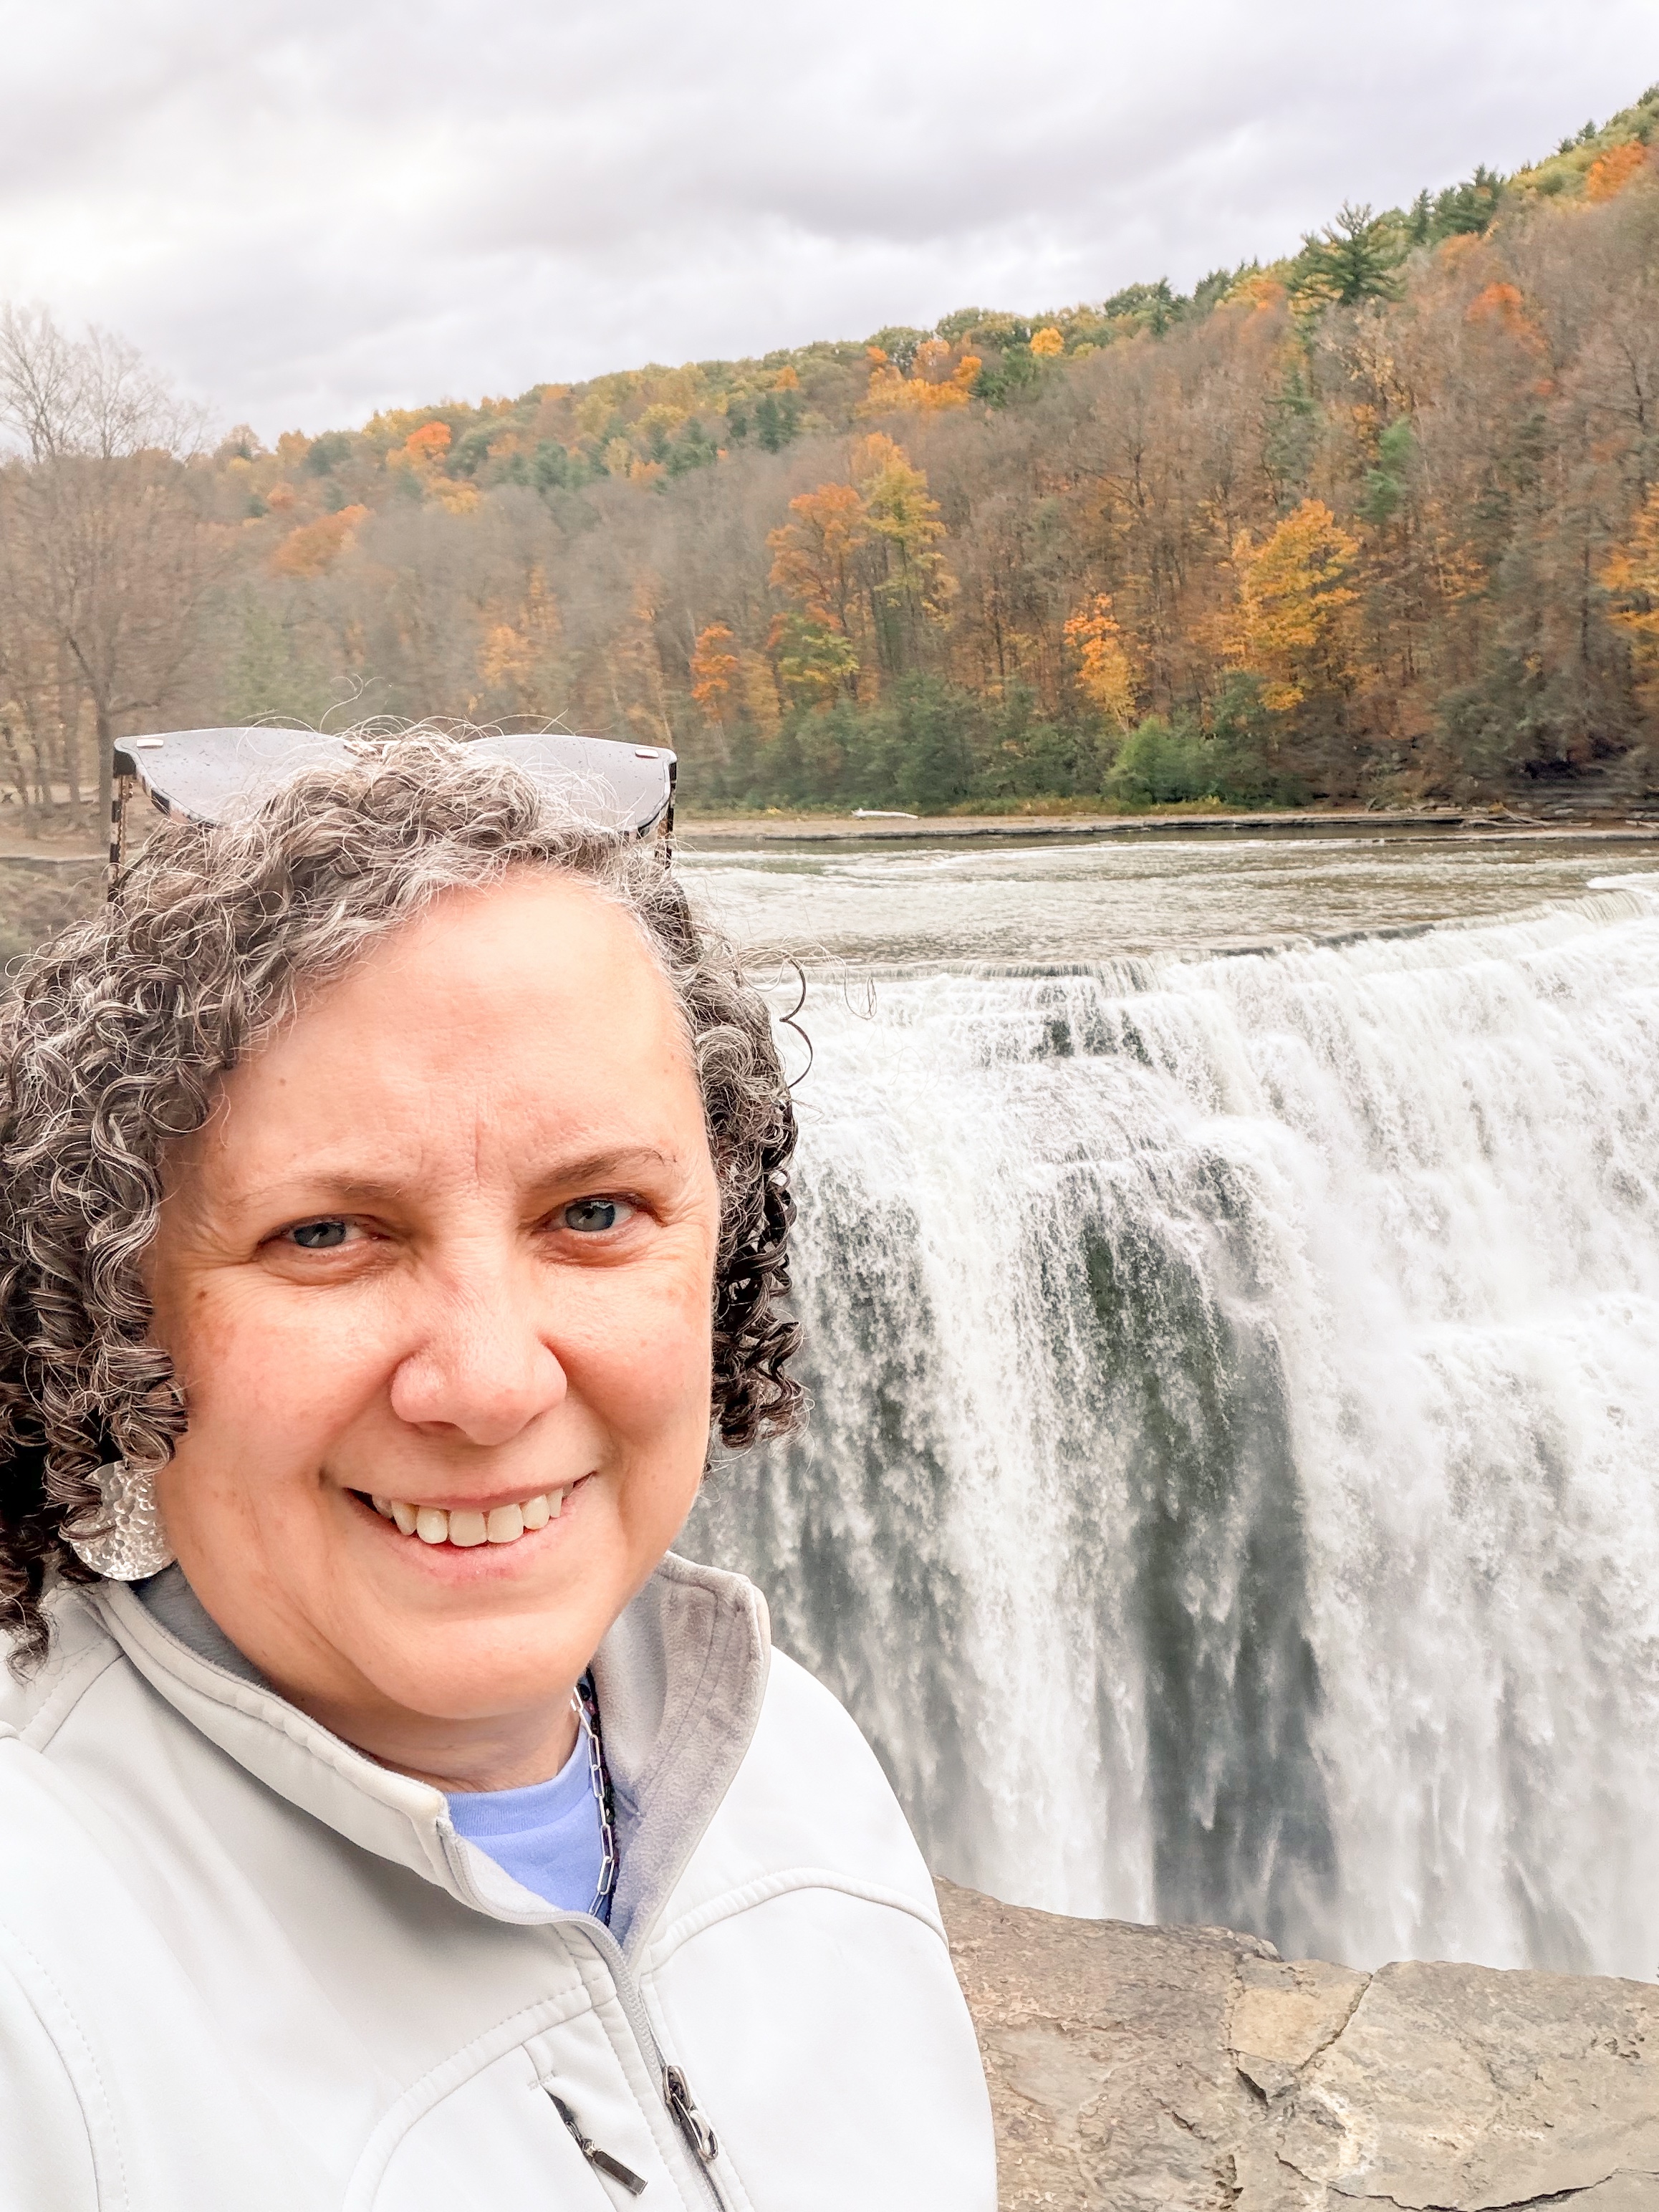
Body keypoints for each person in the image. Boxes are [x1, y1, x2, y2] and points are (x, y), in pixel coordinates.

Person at [0, 734, 995, 2211]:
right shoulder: (36, 1971)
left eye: (595, 1211)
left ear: (720, 1244)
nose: (488, 1382)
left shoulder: (791, 1757)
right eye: (325, 1233)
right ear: (114, 1310)